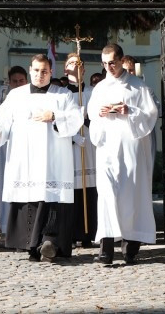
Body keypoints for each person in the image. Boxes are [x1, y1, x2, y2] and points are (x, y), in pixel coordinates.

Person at [0, 54, 84, 263]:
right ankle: (32, 246)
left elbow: (76, 119)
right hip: (26, 160)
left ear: (51, 72)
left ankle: (50, 243)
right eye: (36, 71)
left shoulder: (63, 95)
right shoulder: (16, 95)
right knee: (29, 199)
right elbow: (3, 120)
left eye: (44, 71)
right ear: (30, 70)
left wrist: (55, 117)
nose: (40, 75)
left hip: (53, 162)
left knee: (52, 200)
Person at [88, 43, 158, 265]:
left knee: (131, 195)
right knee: (107, 195)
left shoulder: (138, 87)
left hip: (131, 147)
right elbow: (92, 114)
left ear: (121, 60)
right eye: (104, 63)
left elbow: (150, 115)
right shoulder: (100, 88)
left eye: (112, 63)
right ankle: (106, 249)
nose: (108, 67)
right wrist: (101, 113)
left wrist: (130, 111)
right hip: (107, 147)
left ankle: (130, 248)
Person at [0, 65, 28, 236]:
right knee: (7, 186)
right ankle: (6, 223)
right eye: (14, 81)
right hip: (7, 151)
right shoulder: (4, 99)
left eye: (21, 81)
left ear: (26, 81)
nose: (18, 84)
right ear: (9, 82)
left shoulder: (32, 97)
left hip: (27, 150)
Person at [63, 52, 98, 248]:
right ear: (65, 69)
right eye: (71, 63)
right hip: (69, 146)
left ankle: (87, 233)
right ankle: (70, 233)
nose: (76, 66)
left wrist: (88, 121)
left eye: (79, 64)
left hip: (90, 144)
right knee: (71, 189)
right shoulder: (62, 94)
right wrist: (73, 136)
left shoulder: (93, 93)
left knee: (89, 188)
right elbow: (57, 121)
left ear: (84, 69)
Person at [121, 54, 160, 174]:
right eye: (125, 70)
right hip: (124, 133)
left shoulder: (146, 89)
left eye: (131, 70)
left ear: (136, 70)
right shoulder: (118, 89)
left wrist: (133, 111)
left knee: (143, 169)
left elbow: (155, 111)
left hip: (144, 133)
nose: (129, 73)